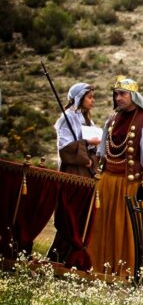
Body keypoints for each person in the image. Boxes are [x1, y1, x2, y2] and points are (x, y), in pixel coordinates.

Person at [88, 76, 143, 278]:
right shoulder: (112, 121)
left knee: (128, 229)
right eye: (116, 94)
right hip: (108, 182)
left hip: (132, 185)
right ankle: (102, 266)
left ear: (133, 95)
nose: (118, 98)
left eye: (123, 94)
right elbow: (102, 153)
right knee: (104, 226)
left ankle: (128, 269)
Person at [48, 82, 100, 265]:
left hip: (86, 173)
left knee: (81, 216)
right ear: (79, 98)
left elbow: (94, 148)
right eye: (89, 97)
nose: (93, 101)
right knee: (69, 214)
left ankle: (72, 258)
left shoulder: (88, 121)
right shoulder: (66, 118)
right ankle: (58, 257)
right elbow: (65, 149)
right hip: (72, 173)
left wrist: (92, 155)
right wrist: (86, 147)